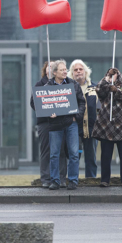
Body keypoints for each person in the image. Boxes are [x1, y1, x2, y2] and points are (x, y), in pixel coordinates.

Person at [33, 60, 85, 190]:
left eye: (65, 69)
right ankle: (55, 181)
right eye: (62, 70)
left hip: (70, 124)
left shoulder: (73, 85)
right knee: (54, 154)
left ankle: (73, 180)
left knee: (73, 153)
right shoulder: (47, 87)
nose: (65, 71)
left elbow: (82, 103)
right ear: (54, 72)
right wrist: (47, 113)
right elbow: (36, 103)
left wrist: (76, 117)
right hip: (55, 125)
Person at [91, 68, 122, 187]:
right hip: (107, 126)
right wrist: (106, 79)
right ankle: (105, 180)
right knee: (106, 155)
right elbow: (98, 90)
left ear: (119, 76)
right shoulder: (104, 89)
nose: (112, 76)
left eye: (114, 74)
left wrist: (116, 90)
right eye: (110, 74)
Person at [34, 60, 66, 187]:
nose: (51, 69)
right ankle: (46, 179)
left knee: (61, 150)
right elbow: (34, 103)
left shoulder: (63, 84)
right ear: (46, 70)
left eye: (53, 66)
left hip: (60, 122)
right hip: (45, 123)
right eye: (49, 67)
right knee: (46, 151)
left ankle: (61, 178)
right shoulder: (39, 85)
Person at [71, 59, 98, 179]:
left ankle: (91, 180)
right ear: (72, 73)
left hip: (91, 127)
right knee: (73, 156)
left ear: (86, 71)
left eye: (80, 69)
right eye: (75, 70)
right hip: (73, 127)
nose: (78, 72)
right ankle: (73, 180)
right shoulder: (68, 88)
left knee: (91, 157)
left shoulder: (95, 88)